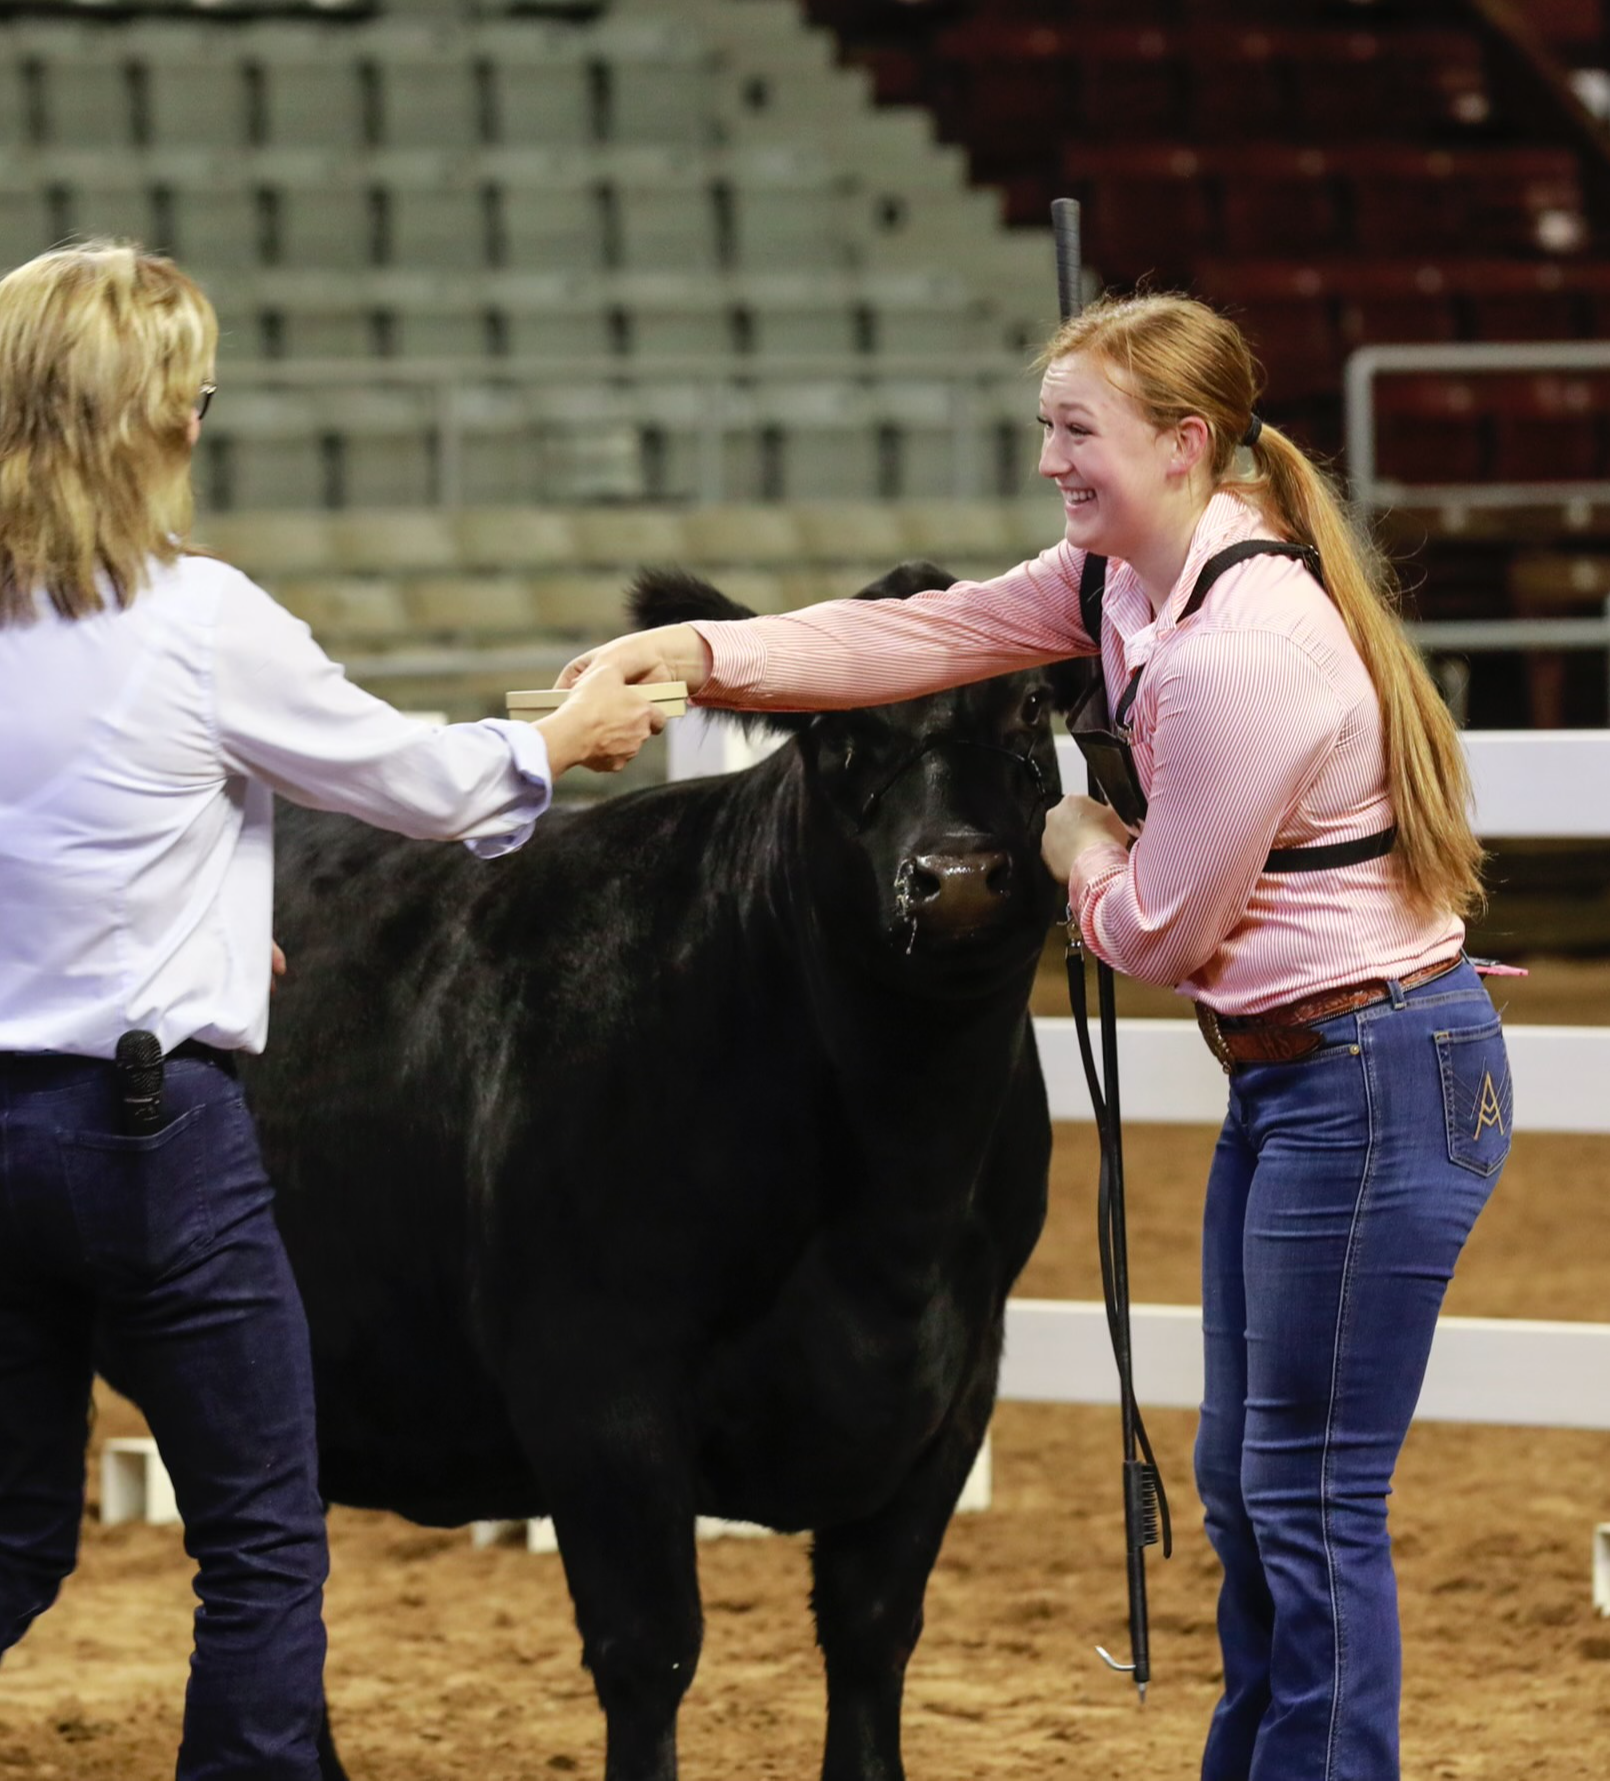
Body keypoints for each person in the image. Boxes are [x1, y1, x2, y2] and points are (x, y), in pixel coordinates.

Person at [564, 292, 1509, 1781]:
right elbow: (924, 636)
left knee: (1306, 1499)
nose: (1052, 462)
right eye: (1047, 429)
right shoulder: (1122, 585)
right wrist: (691, 653)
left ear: (1186, 443)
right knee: (1250, 1488)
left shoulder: (1235, 654)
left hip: (1373, 1080)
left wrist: (1074, 840)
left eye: (1079, 432)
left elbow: (1157, 935)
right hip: (1309, 1083)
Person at [0, 242, 663, 1780]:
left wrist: (170, 940)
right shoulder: (194, 615)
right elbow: (410, 781)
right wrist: (556, 736)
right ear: (148, 421)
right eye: (191, 395)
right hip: (142, 1135)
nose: (201, 421)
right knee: (259, 1542)